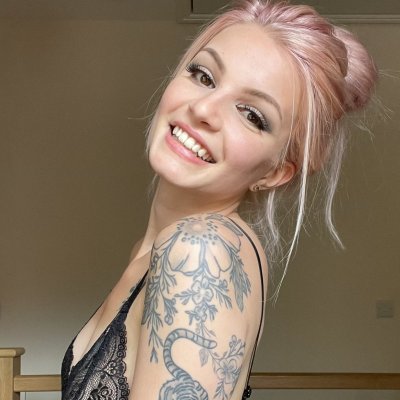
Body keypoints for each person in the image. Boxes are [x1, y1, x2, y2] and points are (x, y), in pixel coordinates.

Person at [61, 0, 377, 399]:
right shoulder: (154, 250)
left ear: (275, 172)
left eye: (251, 115)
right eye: (204, 76)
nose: (203, 108)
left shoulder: (199, 252)